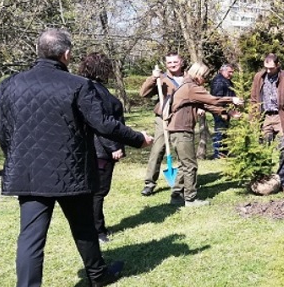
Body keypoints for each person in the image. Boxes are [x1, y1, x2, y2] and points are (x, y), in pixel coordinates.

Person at [0, 29, 152, 287]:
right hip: (71, 172)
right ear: (66, 55)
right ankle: (97, 276)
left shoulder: (9, 85)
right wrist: (138, 139)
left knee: (30, 239)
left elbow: (1, 129)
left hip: (30, 174)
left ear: (38, 50)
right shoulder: (79, 85)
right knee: (83, 227)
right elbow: (103, 124)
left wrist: (17, 156)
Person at [167, 62, 242, 206]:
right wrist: (231, 99)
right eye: (205, 77)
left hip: (179, 129)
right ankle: (190, 199)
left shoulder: (188, 87)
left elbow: (206, 105)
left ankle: (176, 195)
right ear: (198, 75)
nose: (206, 81)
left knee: (184, 164)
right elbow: (211, 99)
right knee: (190, 165)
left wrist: (226, 112)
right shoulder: (190, 88)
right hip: (181, 130)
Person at [78, 53, 127, 243]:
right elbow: (103, 123)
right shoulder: (93, 91)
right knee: (98, 191)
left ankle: (93, 227)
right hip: (100, 150)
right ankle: (97, 230)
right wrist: (113, 146)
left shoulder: (87, 88)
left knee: (94, 191)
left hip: (90, 148)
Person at [249, 53, 284, 192]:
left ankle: (283, 182)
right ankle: (264, 181)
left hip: (280, 117)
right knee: (264, 149)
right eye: (266, 68)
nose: (268, 71)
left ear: (278, 65)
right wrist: (253, 118)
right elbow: (253, 99)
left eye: (271, 68)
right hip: (264, 117)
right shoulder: (259, 77)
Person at [138, 53, 185, 196]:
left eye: (175, 62)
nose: (172, 64)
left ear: (181, 62)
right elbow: (143, 93)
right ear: (166, 64)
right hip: (163, 118)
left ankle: (181, 184)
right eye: (169, 62)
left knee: (182, 151)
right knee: (158, 149)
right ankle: (149, 183)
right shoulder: (161, 78)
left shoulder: (188, 78)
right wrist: (153, 78)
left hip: (181, 118)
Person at [210, 63, 236, 159]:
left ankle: (224, 152)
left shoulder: (227, 80)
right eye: (229, 72)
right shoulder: (218, 81)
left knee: (225, 132)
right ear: (223, 71)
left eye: (232, 72)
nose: (231, 74)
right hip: (220, 110)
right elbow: (217, 98)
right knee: (220, 131)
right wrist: (223, 111)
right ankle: (217, 154)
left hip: (227, 110)